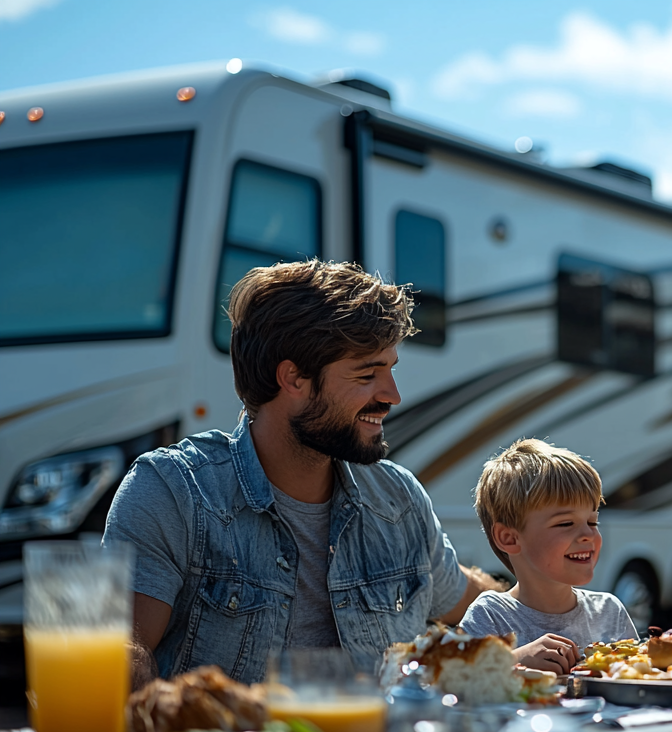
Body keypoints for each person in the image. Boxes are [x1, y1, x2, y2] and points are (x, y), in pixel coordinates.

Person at [104, 260, 503, 689]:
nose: (393, 396)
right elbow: (120, 651)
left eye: (391, 369)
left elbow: (464, 598)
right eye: (368, 374)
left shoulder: (399, 500)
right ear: (293, 378)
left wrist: (543, 595)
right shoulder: (172, 491)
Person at [461, 439, 638, 672]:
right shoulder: (490, 616)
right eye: (566, 523)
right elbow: (451, 682)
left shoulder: (609, 612)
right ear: (509, 538)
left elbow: (638, 681)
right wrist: (515, 659)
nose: (588, 534)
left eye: (592, 521)